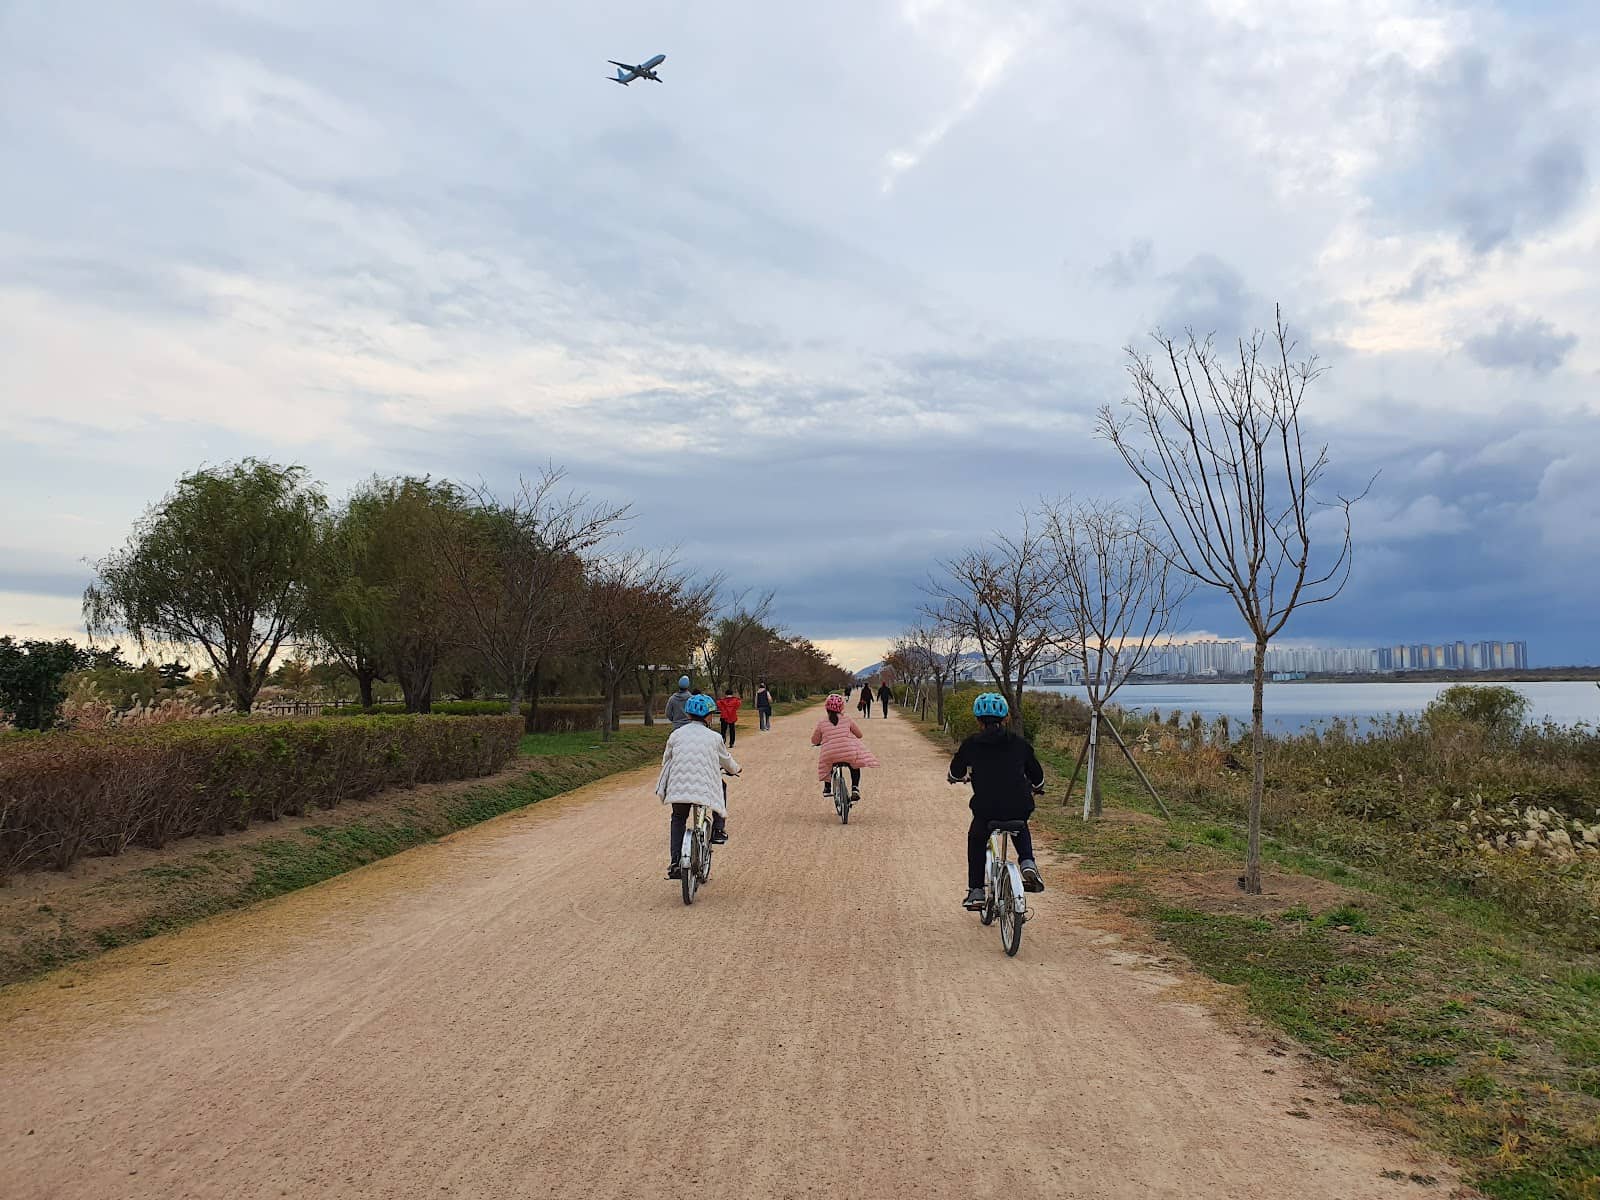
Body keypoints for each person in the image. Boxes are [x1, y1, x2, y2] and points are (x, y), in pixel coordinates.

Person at [947, 692, 1045, 910]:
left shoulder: (971, 744)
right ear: (1006, 718)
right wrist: (1038, 788)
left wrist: (956, 778)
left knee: (976, 838)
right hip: (1018, 805)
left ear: (978, 720)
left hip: (986, 809)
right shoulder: (1020, 744)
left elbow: (955, 771)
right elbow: (1037, 775)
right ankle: (1028, 862)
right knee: (1019, 824)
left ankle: (976, 891)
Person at [657, 693, 738, 878]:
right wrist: (735, 769)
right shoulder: (715, 737)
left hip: (679, 787)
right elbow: (726, 761)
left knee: (678, 818)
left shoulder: (676, 735)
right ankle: (718, 829)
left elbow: (666, 760)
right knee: (721, 786)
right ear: (709, 716)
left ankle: (676, 862)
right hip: (704, 785)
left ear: (688, 715)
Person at [812, 693, 879, 802]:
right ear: (842, 706)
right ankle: (855, 788)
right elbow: (859, 735)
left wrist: (819, 742)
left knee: (827, 764)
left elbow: (814, 740)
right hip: (849, 754)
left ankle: (827, 787)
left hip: (830, 755)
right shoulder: (847, 719)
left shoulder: (822, 722)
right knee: (855, 765)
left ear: (826, 707)